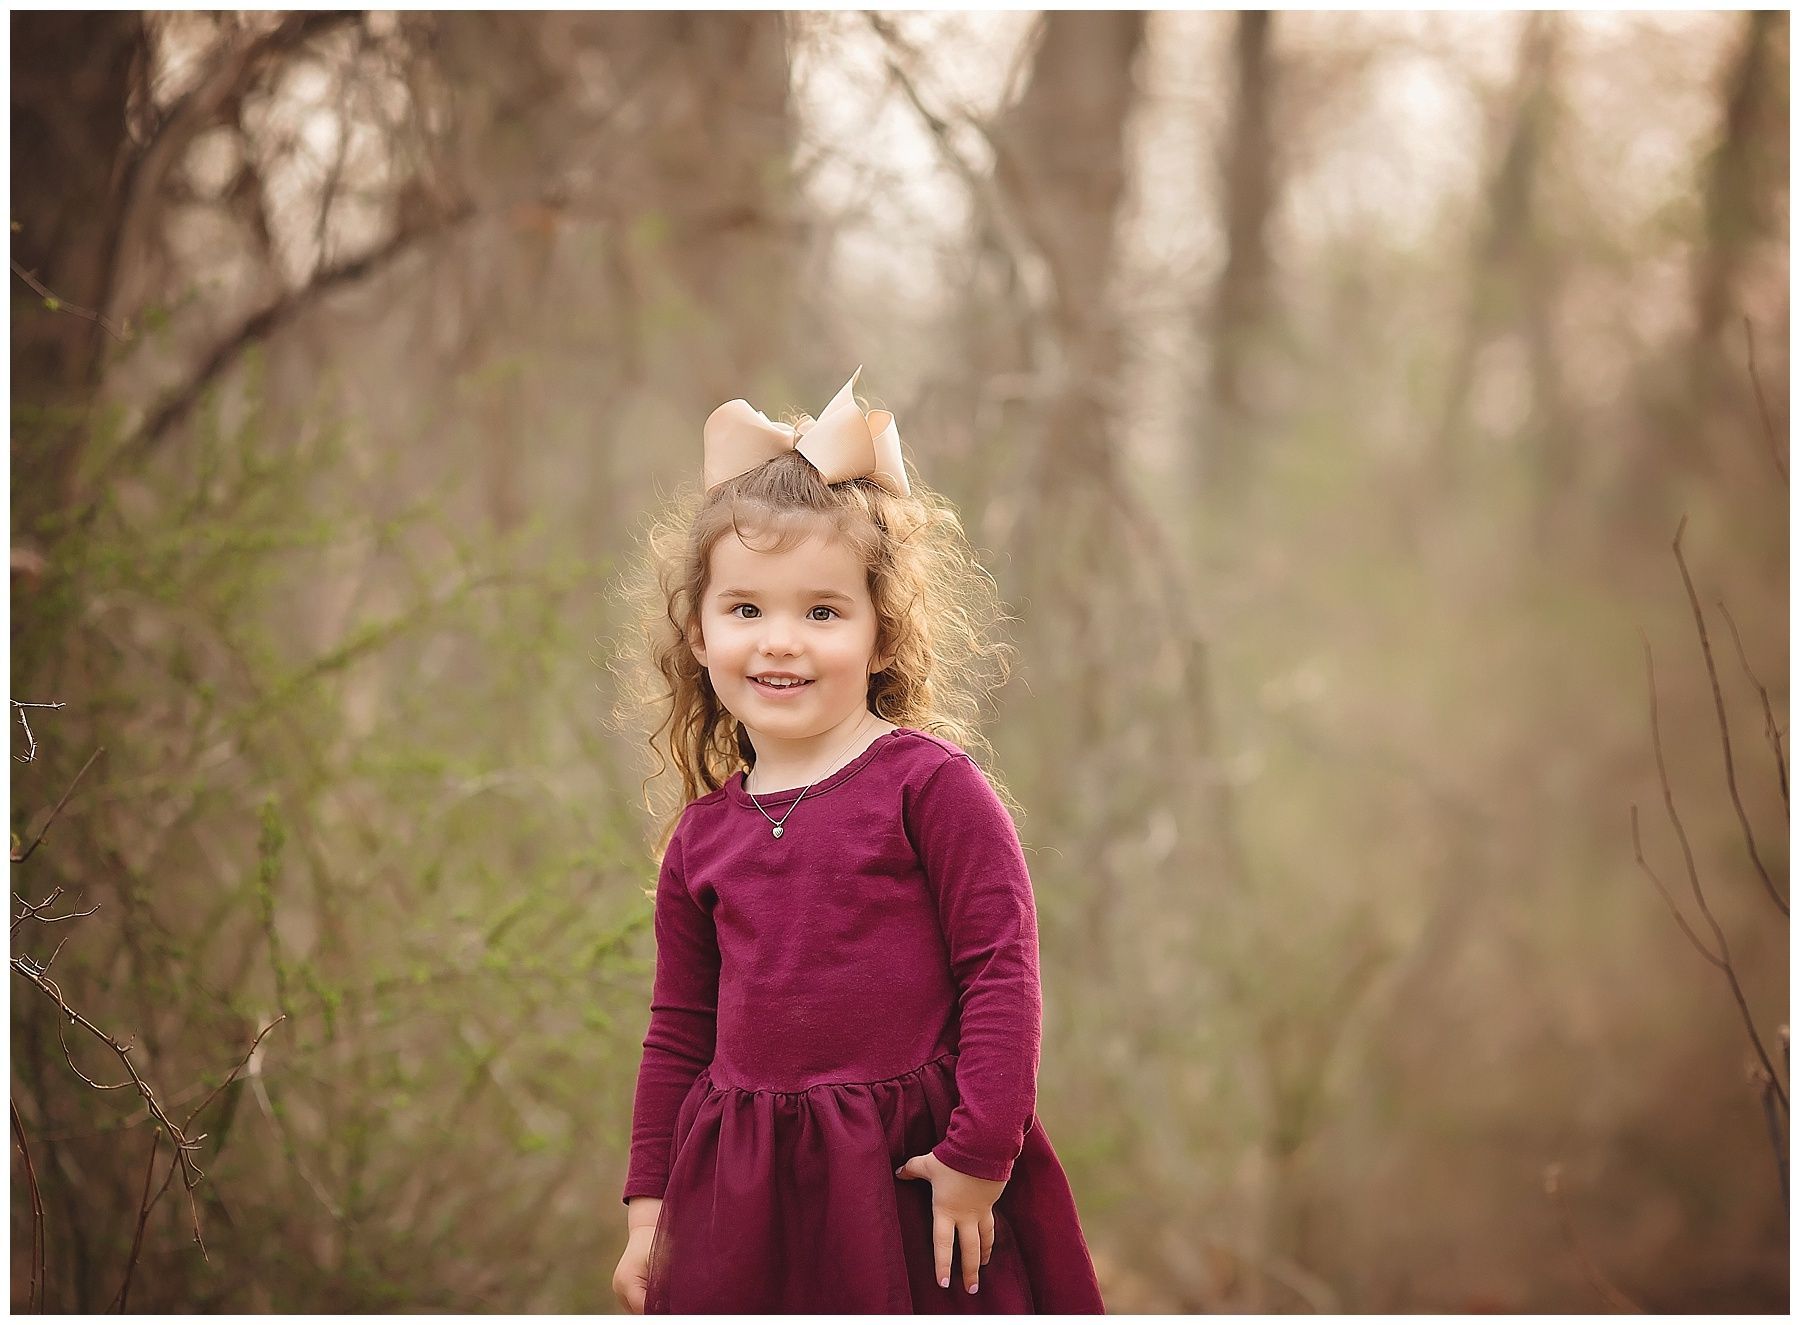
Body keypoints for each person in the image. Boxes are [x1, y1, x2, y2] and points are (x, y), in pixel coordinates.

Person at [609, 368, 1106, 1313]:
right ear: (700, 633)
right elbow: (678, 1032)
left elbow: (1002, 974)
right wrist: (648, 1212)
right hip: (745, 1195)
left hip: (913, 1178)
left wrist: (977, 1155)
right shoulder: (702, 839)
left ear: (883, 636)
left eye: (822, 611)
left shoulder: (930, 788)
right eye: (746, 609)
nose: (780, 641)